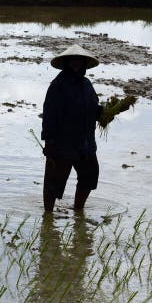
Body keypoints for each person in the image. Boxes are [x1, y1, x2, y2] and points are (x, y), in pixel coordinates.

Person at [41, 44, 103, 213]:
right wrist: (49, 143)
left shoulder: (87, 84)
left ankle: (78, 210)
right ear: (67, 63)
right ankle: (48, 217)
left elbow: (93, 109)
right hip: (63, 143)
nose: (76, 64)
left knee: (90, 176)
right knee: (54, 182)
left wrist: (107, 113)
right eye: (72, 61)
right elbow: (49, 115)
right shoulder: (58, 85)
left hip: (86, 144)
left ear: (84, 64)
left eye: (79, 61)